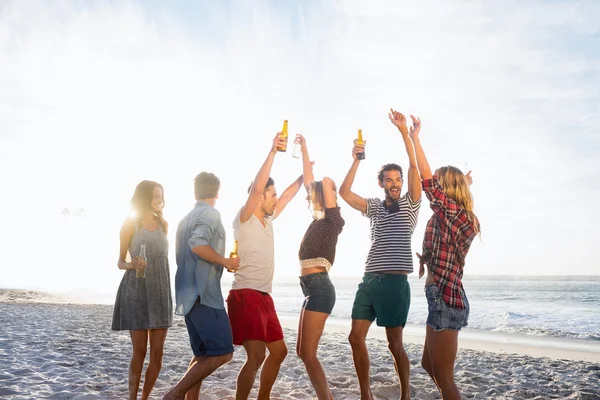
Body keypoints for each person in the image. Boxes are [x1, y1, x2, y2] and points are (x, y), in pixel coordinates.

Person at [339, 109, 422, 400]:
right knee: (355, 337)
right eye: (389, 179)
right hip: (369, 280)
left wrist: (404, 133)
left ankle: (405, 396)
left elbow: (414, 166)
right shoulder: (374, 206)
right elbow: (345, 193)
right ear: (382, 183)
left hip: (394, 284)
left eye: (397, 179)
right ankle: (366, 394)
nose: (395, 183)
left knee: (394, 344)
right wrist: (355, 159)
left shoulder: (411, 205)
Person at [227, 132, 304, 400]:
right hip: (245, 293)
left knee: (279, 352)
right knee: (256, 356)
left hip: (263, 296)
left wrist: (305, 170)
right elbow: (259, 187)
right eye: (270, 194)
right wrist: (272, 152)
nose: (274, 198)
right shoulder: (245, 216)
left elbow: (288, 195)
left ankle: (263, 397)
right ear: (259, 197)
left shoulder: (268, 219)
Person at [409, 115, 480, 400]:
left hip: (446, 299)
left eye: (439, 184)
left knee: (445, 379)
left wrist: (415, 139)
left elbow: (429, 184)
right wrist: (426, 258)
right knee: (429, 365)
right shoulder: (449, 215)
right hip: (439, 296)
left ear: (447, 190)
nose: (433, 187)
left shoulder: (458, 216)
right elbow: (441, 190)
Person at [163, 172, 240, 400]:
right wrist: (225, 261)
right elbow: (197, 244)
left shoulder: (185, 218)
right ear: (217, 192)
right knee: (223, 352)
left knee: (202, 354)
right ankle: (175, 394)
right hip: (204, 295)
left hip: (187, 296)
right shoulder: (210, 213)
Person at [112, 180, 173, 400]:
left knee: (157, 354)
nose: (160, 201)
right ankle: (133, 398)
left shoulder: (164, 225)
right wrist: (131, 263)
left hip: (160, 292)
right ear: (145, 197)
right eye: (156, 196)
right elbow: (120, 261)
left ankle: (145, 397)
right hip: (136, 291)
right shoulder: (130, 224)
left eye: (161, 196)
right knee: (140, 352)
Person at [294, 134, 345, 399]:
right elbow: (309, 181)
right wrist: (303, 150)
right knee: (302, 352)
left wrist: (328, 186)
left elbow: (323, 182)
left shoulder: (333, 221)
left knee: (309, 353)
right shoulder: (318, 220)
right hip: (310, 289)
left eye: (331, 192)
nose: (324, 191)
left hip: (321, 289)